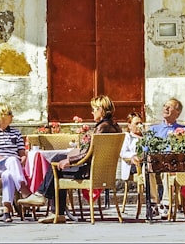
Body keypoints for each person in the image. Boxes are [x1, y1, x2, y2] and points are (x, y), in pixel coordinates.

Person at [20, 95, 122, 224]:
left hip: (89, 171)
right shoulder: (115, 126)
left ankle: (48, 203)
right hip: (101, 171)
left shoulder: (102, 128)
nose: (92, 112)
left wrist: (70, 161)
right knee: (58, 159)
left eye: (94, 109)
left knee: (57, 166)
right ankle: (52, 207)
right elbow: (92, 151)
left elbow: (89, 153)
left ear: (101, 110)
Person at [0, 102, 35, 222]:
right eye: (9, 113)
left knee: (8, 175)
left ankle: (6, 210)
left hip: (12, 167)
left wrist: (22, 159)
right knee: (11, 160)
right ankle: (24, 189)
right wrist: (7, 160)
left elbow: (22, 153)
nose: (12, 116)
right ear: (0, 115)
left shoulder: (16, 133)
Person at [118, 112, 144, 182]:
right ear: (129, 125)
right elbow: (123, 152)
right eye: (136, 123)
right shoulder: (127, 136)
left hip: (145, 162)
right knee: (146, 168)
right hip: (133, 164)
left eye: (140, 123)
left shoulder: (146, 137)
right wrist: (134, 155)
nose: (139, 125)